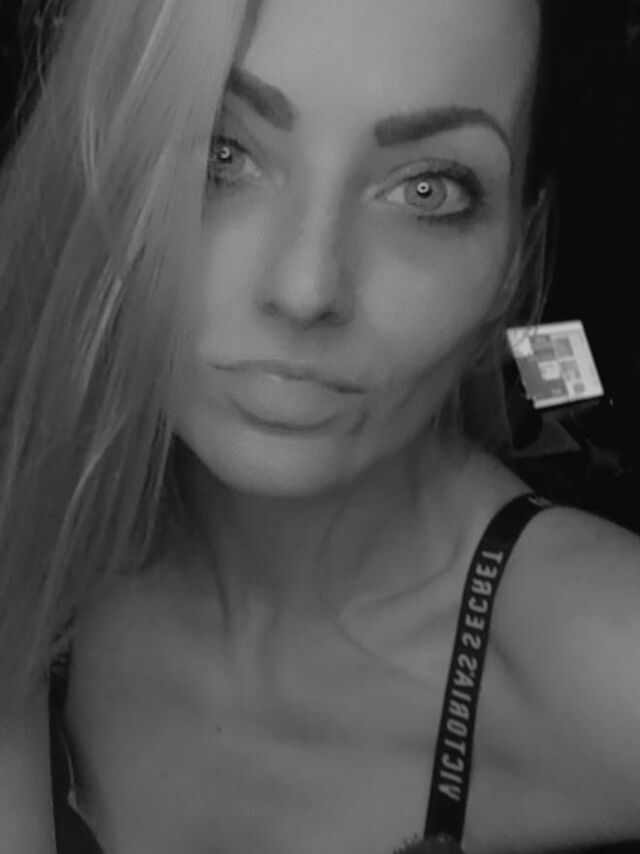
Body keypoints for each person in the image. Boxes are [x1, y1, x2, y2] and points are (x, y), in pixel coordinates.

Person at [1, 0, 640, 852]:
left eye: (428, 190)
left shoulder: (608, 661)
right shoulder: (39, 552)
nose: (305, 290)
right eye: (222, 153)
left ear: (516, 250)